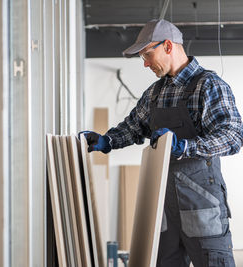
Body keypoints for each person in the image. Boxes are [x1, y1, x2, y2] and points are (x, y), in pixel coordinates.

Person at [79, 19, 243, 266]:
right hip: (165, 209)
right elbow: (133, 127)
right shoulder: (155, 93)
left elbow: (232, 136)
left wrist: (185, 147)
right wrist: (106, 140)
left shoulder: (209, 86)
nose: (145, 63)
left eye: (147, 54)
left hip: (202, 207)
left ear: (168, 46)